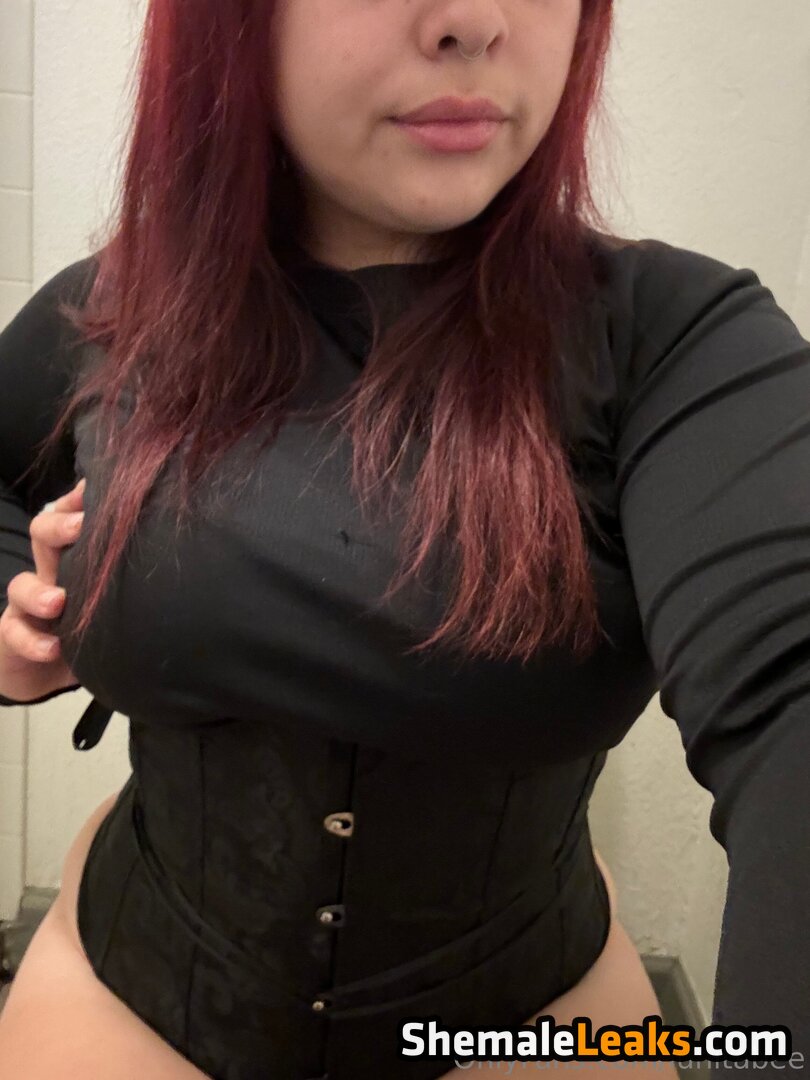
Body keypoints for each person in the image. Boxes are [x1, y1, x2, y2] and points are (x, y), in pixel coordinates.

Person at [0, 1, 806, 1078]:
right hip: (130, 995)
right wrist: (12, 618)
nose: (473, 18)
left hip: (531, 1019)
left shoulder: (679, 340)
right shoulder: (125, 304)